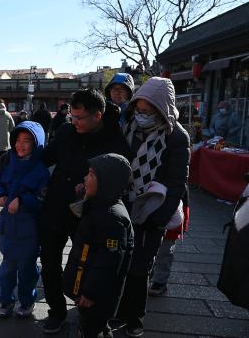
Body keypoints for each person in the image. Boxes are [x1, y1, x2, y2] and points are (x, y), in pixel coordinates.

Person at [39, 88, 129, 334]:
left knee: (88, 266)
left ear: (98, 116)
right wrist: (16, 160)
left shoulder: (114, 138)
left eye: (80, 118)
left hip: (90, 217)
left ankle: (87, 314)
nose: (74, 122)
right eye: (72, 117)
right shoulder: (67, 131)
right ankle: (56, 311)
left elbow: (121, 178)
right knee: (49, 263)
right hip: (55, 209)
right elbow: (46, 157)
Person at [116, 77, 190, 337]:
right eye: (139, 109)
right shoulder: (127, 126)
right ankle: (117, 311)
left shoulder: (176, 136)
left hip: (152, 210)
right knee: (119, 262)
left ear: (162, 109)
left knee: (139, 268)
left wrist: (158, 218)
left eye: (148, 111)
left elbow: (177, 182)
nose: (142, 115)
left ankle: (135, 318)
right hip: (123, 205)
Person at [63, 153, 133, 338]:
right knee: (91, 324)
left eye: (91, 175)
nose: (85, 178)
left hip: (96, 294)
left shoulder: (113, 218)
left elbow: (108, 263)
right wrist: (83, 194)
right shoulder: (98, 204)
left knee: (93, 325)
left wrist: (91, 293)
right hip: (86, 282)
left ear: (107, 182)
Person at [0, 121, 50, 318]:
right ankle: (5, 299)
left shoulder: (41, 170)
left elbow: (42, 198)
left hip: (30, 229)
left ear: (37, 144)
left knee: (27, 269)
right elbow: (0, 182)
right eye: (17, 140)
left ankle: (26, 301)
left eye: (27, 140)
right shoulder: (7, 161)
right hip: (8, 226)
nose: (21, 144)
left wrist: (23, 200)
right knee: (7, 268)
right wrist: (0, 195)